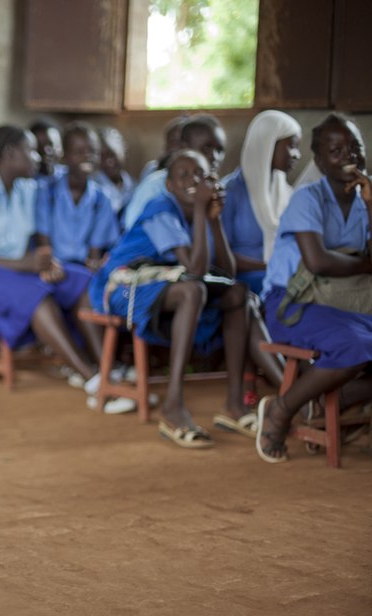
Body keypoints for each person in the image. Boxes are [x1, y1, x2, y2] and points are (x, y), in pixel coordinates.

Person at [89, 150, 282, 448]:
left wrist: (213, 220)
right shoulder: (161, 208)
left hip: (170, 285)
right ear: (170, 185)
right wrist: (205, 210)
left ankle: (234, 404)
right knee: (194, 290)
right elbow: (194, 271)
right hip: (123, 286)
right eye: (184, 176)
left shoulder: (200, 213)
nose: (193, 181)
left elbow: (228, 273)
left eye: (200, 175)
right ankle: (173, 406)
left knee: (239, 293)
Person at [0, 125, 132, 413]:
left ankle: (104, 366)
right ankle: (91, 379)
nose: (38, 157)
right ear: (9, 154)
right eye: (31, 151)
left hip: (10, 267)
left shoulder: (26, 189)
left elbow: (30, 243)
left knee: (81, 280)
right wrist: (26, 265)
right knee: (35, 293)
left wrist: (46, 263)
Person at [256, 113, 372, 464]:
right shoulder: (308, 198)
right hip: (294, 305)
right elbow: (318, 261)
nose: (348, 157)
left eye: (356, 148)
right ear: (320, 161)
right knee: (356, 344)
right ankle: (282, 408)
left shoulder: (365, 199)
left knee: (360, 341)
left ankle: (327, 401)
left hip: (346, 300)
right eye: (336, 151)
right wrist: (367, 265)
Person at [220, 110, 302, 295]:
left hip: (282, 274)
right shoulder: (230, 192)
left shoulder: (286, 193)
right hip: (245, 279)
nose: (297, 155)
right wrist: (269, 266)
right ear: (267, 144)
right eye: (291, 146)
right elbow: (218, 255)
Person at [123, 115, 226, 230]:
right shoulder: (156, 187)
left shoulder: (213, 190)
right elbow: (133, 229)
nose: (215, 157)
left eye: (219, 150)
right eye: (206, 148)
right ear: (184, 148)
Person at [40, 122, 120, 270]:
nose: (87, 157)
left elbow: (94, 254)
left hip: (82, 268)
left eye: (92, 151)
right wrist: (50, 266)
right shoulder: (47, 191)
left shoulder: (102, 199)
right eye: (79, 152)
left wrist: (94, 265)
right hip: (51, 267)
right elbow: (43, 246)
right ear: (64, 157)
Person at [94, 126, 136, 216]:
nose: (108, 162)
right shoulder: (94, 187)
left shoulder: (134, 186)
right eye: (102, 157)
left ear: (124, 150)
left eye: (112, 154)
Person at [138, 115, 188, 183]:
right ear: (166, 147)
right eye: (174, 142)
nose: (180, 148)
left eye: (184, 142)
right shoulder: (153, 169)